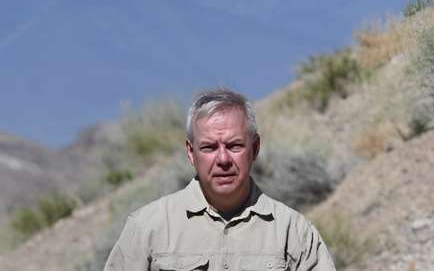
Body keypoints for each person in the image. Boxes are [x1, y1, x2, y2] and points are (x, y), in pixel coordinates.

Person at [105, 88, 336, 270]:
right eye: (209, 147)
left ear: (254, 149)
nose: (223, 159)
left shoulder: (293, 232)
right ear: (190, 152)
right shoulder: (147, 227)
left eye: (234, 145)